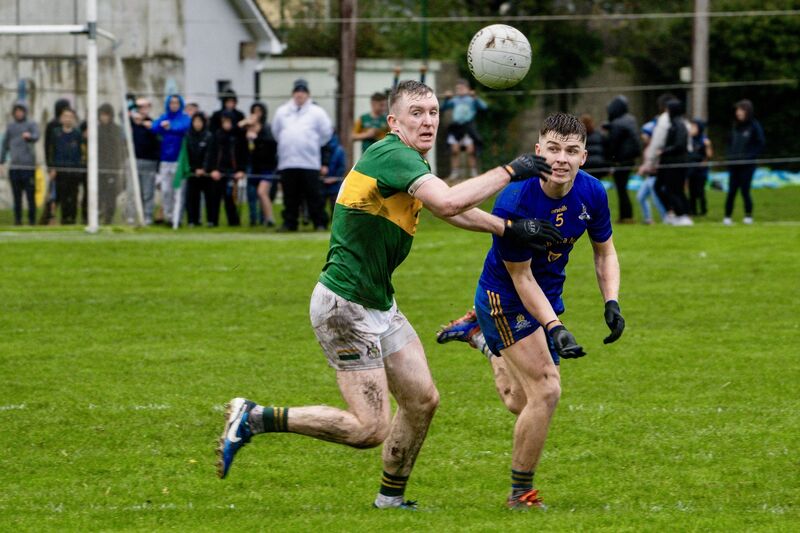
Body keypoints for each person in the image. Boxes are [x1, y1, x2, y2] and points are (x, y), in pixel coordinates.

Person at [216, 80, 560, 510]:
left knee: (422, 400)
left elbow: (447, 207)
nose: (429, 120)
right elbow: (450, 202)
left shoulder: (409, 164)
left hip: (379, 302)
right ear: (393, 122)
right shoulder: (391, 153)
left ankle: (390, 501)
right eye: (417, 112)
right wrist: (511, 170)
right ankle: (254, 417)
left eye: (434, 112)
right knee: (368, 428)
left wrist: (507, 228)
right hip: (343, 306)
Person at [436, 112, 624, 510]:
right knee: (547, 390)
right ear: (538, 151)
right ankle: (521, 494)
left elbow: (604, 251)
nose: (561, 159)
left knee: (520, 402)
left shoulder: (592, 193)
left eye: (572, 151)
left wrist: (612, 300)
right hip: (505, 298)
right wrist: (554, 326)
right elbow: (521, 278)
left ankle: (480, 340)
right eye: (553, 149)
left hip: (546, 297)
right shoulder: (516, 199)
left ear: (584, 157)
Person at [271, 78, 333, 231]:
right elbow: (276, 132)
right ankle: (289, 223)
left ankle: (319, 222)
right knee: (290, 196)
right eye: (297, 92)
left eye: (303, 92)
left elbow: (326, 133)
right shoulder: (282, 111)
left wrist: (311, 145)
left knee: (314, 195)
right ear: (293, 94)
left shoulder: (317, 112)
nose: (300, 95)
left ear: (308, 94)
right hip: (288, 161)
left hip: (309, 162)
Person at [724, 99, 765, 225]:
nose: (738, 112)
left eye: (741, 110)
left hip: (747, 166)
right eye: (737, 110)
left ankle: (748, 216)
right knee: (731, 191)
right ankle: (727, 217)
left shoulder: (754, 126)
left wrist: (749, 157)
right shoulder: (735, 126)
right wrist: (729, 156)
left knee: (745, 191)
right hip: (733, 164)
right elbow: (729, 143)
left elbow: (760, 143)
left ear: (747, 111)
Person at [152, 94, 191, 225]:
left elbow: (182, 126)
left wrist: (170, 127)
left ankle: (177, 219)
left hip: (178, 160)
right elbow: (154, 126)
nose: (174, 105)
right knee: (165, 190)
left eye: (176, 103)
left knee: (178, 191)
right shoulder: (164, 117)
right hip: (165, 160)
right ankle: (168, 217)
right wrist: (164, 125)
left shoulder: (184, 118)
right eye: (171, 103)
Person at [1, 101, 40, 225]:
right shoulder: (11, 127)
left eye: (20, 111)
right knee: (17, 197)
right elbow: (5, 145)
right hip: (15, 168)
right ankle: (17, 221)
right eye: (16, 111)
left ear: (24, 112)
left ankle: (32, 221)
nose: (18, 113)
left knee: (30, 197)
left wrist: (29, 136)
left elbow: (36, 136)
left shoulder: (31, 124)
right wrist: (1, 161)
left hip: (28, 167)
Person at [206, 111, 247, 226]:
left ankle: (234, 222)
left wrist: (241, 170)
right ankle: (212, 221)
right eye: (224, 122)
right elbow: (211, 154)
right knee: (214, 198)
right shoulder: (216, 136)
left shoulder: (238, 137)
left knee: (231, 198)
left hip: (233, 173)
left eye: (229, 122)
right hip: (218, 172)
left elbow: (243, 155)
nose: (227, 124)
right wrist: (212, 170)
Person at [603, 95, 640, 223]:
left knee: (621, 189)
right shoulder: (630, 120)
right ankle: (626, 215)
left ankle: (626, 216)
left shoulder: (618, 123)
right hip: (630, 159)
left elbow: (613, 143)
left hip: (621, 160)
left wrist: (610, 159)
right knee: (623, 188)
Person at [441, 79, 488, 180]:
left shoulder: (471, 99)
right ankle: (455, 173)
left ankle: (473, 172)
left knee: (471, 150)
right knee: (454, 150)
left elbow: (484, 107)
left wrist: (475, 97)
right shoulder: (454, 100)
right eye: (458, 88)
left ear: (468, 89)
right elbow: (443, 108)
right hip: (456, 127)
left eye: (462, 88)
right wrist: (446, 99)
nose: (460, 90)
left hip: (468, 127)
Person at [656, 99, 692, 226]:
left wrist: (664, 151)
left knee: (674, 189)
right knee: (663, 187)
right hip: (670, 162)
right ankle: (676, 213)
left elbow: (680, 145)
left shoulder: (679, 125)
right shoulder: (674, 124)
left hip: (676, 163)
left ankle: (682, 215)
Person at [241, 102, 277, 227]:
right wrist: (246, 123)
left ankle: (269, 218)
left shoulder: (266, 128)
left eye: (259, 111)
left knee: (262, 192)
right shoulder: (247, 128)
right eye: (254, 111)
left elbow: (271, 144)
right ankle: (254, 219)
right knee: (252, 194)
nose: (256, 114)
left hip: (267, 166)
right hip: (253, 166)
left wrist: (256, 138)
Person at [637, 95, 671, 224]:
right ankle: (648, 219)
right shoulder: (648, 148)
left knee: (657, 198)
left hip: (655, 174)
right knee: (641, 196)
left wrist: (645, 167)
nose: (643, 137)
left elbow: (653, 160)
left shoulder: (656, 146)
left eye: (646, 134)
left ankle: (665, 218)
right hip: (650, 175)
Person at [48, 108, 84, 224]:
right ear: (61, 118)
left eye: (70, 116)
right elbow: (52, 151)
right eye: (65, 116)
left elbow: (81, 152)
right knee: (62, 197)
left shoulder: (77, 134)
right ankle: (64, 219)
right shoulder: (56, 133)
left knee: (73, 197)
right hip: (60, 171)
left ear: (73, 119)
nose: (68, 119)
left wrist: (79, 169)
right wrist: (52, 168)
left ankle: (72, 219)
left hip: (74, 171)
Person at [128, 97, 160, 225]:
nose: (143, 110)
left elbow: (157, 142)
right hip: (133, 161)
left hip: (149, 162)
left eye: (145, 107)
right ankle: (131, 217)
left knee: (148, 192)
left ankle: (147, 217)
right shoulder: (130, 124)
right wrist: (133, 112)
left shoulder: (152, 124)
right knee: (132, 192)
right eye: (140, 107)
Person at [41, 98, 72, 224]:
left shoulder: (69, 125)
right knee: (53, 195)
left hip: (67, 167)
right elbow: (48, 147)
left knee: (66, 196)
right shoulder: (52, 125)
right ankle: (47, 218)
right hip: (55, 167)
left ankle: (66, 219)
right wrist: (50, 167)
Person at [97, 103, 126, 225]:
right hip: (98, 168)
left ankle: (108, 218)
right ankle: (99, 214)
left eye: (106, 115)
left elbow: (121, 148)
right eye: (102, 115)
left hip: (112, 168)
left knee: (111, 195)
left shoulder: (117, 130)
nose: (104, 117)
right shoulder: (96, 130)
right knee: (100, 193)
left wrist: (119, 165)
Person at [184, 112, 213, 227]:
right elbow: (187, 155)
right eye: (195, 121)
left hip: (205, 173)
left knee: (208, 197)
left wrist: (204, 169)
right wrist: (193, 169)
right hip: (192, 172)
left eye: (199, 121)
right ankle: (192, 220)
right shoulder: (188, 136)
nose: (197, 124)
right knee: (192, 197)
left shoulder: (208, 136)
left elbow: (209, 154)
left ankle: (210, 220)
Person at [687, 118, 713, 217]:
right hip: (691, 169)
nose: (692, 129)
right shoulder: (689, 140)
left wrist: (708, 146)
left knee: (700, 191)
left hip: (701, 170)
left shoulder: (703, 139)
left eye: (694, 127)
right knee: (691, 191)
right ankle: (692, 210)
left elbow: (709, 155)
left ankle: (703, 210)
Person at [321, 132, 346, 216]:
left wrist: (335, 178)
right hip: (323, 181)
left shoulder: (338, 150)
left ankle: (323, 224)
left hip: (334, 182)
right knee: (324, 204)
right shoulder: (339, 149)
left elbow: (341, 166)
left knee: (333, 204)